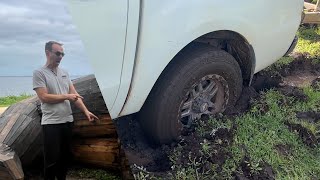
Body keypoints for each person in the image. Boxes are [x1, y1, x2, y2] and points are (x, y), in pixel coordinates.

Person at [32, 41, 98, 180]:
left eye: (62, 54)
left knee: (65, 157)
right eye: (57, 53)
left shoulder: (64, 73)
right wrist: (67, 96)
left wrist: (86, 111)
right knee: (51, 161)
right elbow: (44, 97)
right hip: (51, 123)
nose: (60, 56)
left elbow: (75, 95)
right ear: (47, 52)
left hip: (67, 121)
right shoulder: (39, 73)